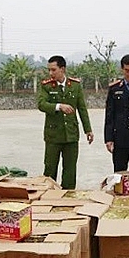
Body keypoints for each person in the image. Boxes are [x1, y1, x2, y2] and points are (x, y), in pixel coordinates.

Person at [37, 55, 93, 189]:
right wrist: (58, 106)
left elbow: (82, 109)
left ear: (62, 69)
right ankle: (49, 197)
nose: (51, 73)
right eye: (49, 70)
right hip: (53, 135)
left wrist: (88, 130)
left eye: (53, 70)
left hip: (71, 135)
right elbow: (41, 104)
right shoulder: (46, 86)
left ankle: (68, 198)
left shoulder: (75, 85)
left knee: (70, 170)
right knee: (50, 168)